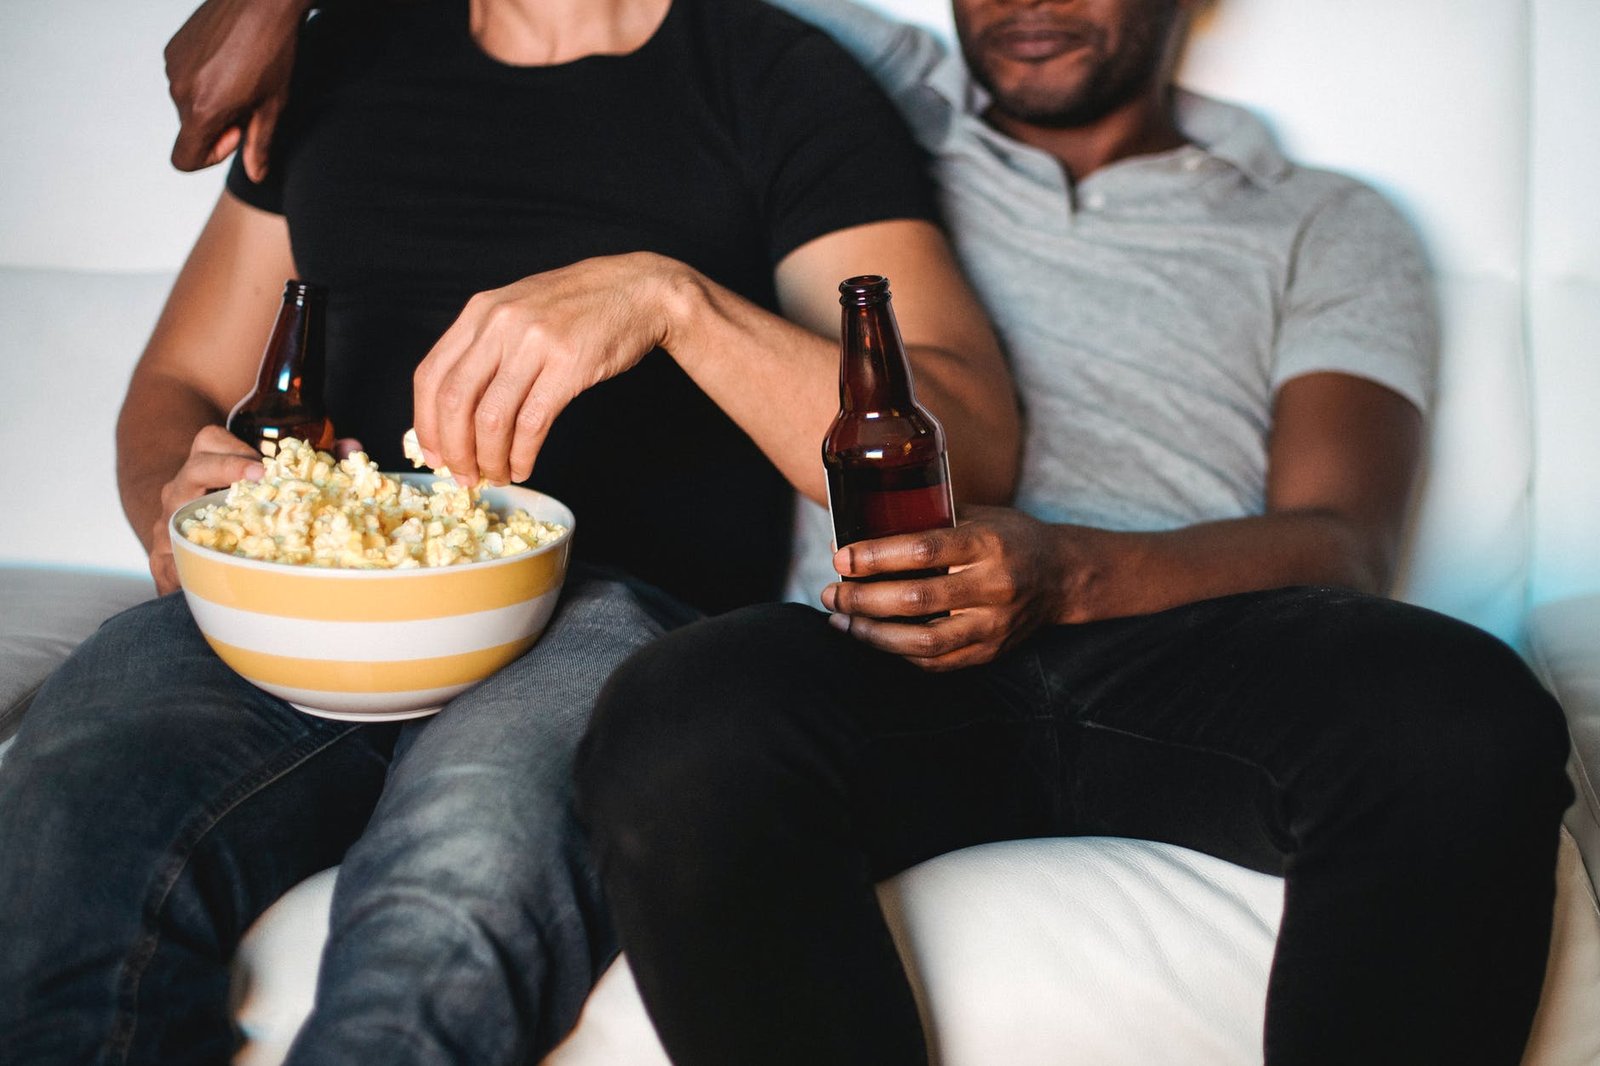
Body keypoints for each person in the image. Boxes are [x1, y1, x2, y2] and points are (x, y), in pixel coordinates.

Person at [0, 0, 1019, 1063]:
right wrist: (176, 493)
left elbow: (970, 436)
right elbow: (180, 380)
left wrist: (672, 301)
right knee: (70, 819)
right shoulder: (332, 55)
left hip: (604, 617)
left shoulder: (776, 78)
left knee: (456, 891)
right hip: (302, 591)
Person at [571, 1, 1577, 1064]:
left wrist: (1070, 572)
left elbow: (1344, 541)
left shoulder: (1325, 219)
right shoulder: (868, 141)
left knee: (1465, 712)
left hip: (1192, 646)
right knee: (676, 717)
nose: (1027, 6)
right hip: (883, 656)